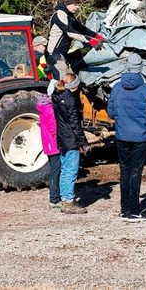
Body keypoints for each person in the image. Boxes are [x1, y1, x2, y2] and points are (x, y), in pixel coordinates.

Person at [107, 52, 146, 223]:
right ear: (141, 68)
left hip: (122, 135)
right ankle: (134, 212)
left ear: (127, 67)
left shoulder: (116, 88)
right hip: (140, 136)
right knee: (136, 173)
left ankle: (124, 209)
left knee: (124, 172)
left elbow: (111, 112)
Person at [52, 73, 89, 214]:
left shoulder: (56, 96)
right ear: (74, 86)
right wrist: (84, 142)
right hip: (71, 139)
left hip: (61, 137)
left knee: (64, 170)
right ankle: (69, 202)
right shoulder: (70, 100)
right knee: (71, 171)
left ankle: (64, 199)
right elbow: (75, 125)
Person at [46, 0, 105, 81]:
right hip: (55, 54)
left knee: (71, 80)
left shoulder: (69, 16)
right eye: (75, 4)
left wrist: (97, 36)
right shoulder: (60, 14)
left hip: (63, 54)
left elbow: (81, 28)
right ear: (68, 4)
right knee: (63, 82)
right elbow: (70, 32)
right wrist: (89, 40)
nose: (77, 7)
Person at [36, 94, 61, 212]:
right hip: (54, 144)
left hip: (47, 144)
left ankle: (55, 197)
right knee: (56, 171)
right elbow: (53, 128)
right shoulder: (50, 110)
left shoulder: (41, 109)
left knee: (53, 169)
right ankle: (55, 199)